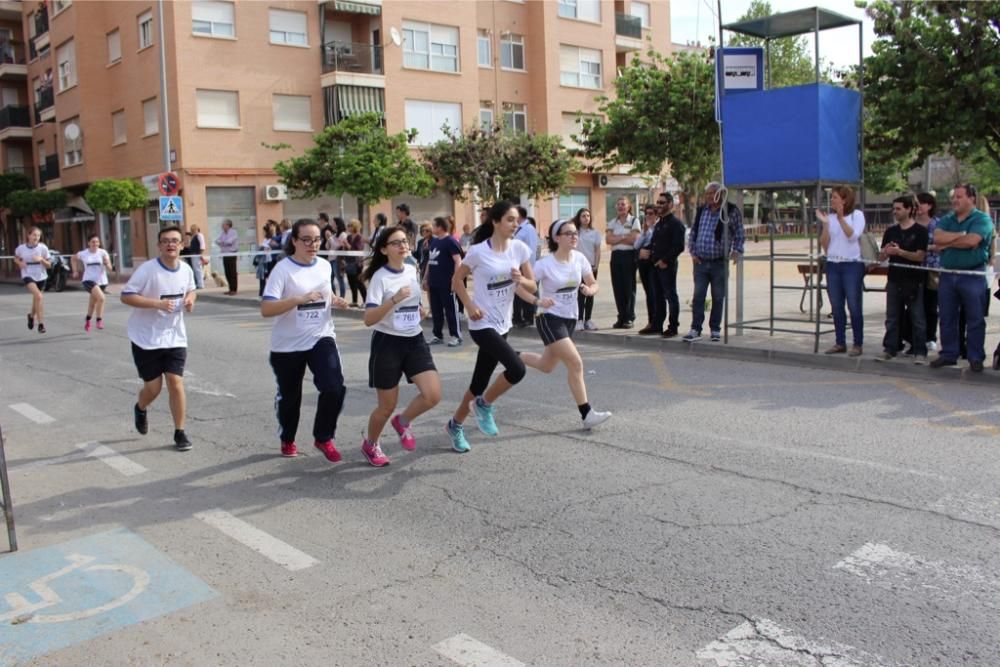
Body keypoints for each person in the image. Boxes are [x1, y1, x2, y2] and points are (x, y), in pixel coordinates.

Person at [445, 200, 535, 453]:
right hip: (482, 323)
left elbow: (532, 285)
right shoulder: (477, 251)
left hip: (503, 323)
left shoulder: (520, 249)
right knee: (517, 369)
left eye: (517, 220)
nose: (515, 224)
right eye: (509, 219)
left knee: (477, 383)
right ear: (495, 222)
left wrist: (522, 280)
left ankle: (455, 424)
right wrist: (469, 305)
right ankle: (484, 405)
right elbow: (457, 280)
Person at [261, 219, 350, 460]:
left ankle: (323, 437)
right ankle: (287, 438)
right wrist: (298, 300)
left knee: (334, 387)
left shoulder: (323, 265)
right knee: (291, 398)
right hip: (288, 344)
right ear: (294, 241)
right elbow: (267, 309)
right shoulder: (283, 270)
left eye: (317, 240)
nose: (312, 245)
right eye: (306, 240)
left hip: (320, 336)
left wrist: (335, 299)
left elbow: (324, 293)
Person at [360, 226, 441, 466]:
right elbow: (369, 318)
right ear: (384, 249)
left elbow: (412, 298)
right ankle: (371, 444)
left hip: (414, 339)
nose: (403, 246)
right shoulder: (379, 278)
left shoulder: (411, 267)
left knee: (433, 395)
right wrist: (394, 299)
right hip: (388, 343)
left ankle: (403, 421)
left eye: (405, 241)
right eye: (396, 243)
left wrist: (418, 308)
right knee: (386, 406)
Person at [519, 219, 612, 429]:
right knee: (575, 362)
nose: (574, 236)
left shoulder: (579, 259)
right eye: (568, 233)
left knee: (546, 365)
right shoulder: (544, 264)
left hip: (570, 318)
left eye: (575, 233)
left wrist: (590, 290)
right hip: (548, 318)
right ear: (556, 238)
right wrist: (537, 301)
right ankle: (586, 413)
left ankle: (511, 355)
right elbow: (521, 287)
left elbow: (593, 283)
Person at [121, 226, 197, 451]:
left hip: (174, 337)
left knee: (176, 382)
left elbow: (192, 290)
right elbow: (127, 296)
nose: (171, 244)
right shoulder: (148, 270)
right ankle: (141, 407)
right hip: (146, 338)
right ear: (159, 246)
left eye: (175, 241)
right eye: (166, 241)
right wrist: (157, 304)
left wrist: (191, 299)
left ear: (182, 245)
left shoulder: (186, 270)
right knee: (153, 389)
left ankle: (180, 432)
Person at [930, 184, 994, 372]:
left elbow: (972, 241)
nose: (954, 200)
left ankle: (975, 357)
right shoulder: (948, 219)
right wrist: (960, 236)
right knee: (947, 317)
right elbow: (937, 238)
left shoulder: (982, 219)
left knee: (974, 318)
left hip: (972, 275)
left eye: (959, 196)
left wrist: (949, 243)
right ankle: (949, 354)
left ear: (971, 199)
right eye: (953, 197)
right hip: (948, 275)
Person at [683, 183, 746, 343]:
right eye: (708, 194)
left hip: (719, 262)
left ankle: (715, 329)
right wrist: (692, 252)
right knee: (698, 296)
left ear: (721, 194)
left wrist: (736, 250)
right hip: (700, 262)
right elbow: (694, 232)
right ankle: (695, 328)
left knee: (718, 297)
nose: (710, 196)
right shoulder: (702, 210)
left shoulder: (730, 211)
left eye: (713, 193)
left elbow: (739, 233)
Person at [874, 195, 928, 363]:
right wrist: (885, 252)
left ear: (909, 209)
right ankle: (890, 348)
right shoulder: (891, 231)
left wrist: (901, 252)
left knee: (917, 317)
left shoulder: (920, 231)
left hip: (913, 280)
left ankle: (920, 351)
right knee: (892, 316)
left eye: (898, 209)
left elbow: (920, 256)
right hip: (894, 279)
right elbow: (881, 257)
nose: (895, 212)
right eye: (894, 209)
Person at [815, 186, 865, 355]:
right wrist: (826, 225)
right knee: (836, 306)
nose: (832, 200)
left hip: (851, 264)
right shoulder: (830, 217)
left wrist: (842, 218)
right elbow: (825, 244)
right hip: (833, 264)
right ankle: (840, 342)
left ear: (844, 200)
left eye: (835, 197)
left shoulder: (857, 216)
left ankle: (857, 343)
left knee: (854, 305)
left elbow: (853, 236)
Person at [650, 193, 686, 338]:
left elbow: (678, 246)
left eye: (662, 202)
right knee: (657, 296)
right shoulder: (659, 223)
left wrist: (665, 260)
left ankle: (673, 326)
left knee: (670, 296)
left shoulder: (676, 224)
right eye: (658, 202)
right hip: (655, 266)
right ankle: (657, 325)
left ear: (671, 204)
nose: (659, 205)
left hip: (667, 266)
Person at [424, 216, 463, 346]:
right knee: (436, 310)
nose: (431, 228)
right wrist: (425, 278)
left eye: (433, 226)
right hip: (434, 282)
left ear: (440, 227)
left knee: (451, 310)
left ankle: (456, 336)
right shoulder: (434, 242)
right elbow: (430, 262)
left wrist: (455, 280)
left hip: (447, 283)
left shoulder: (450, 241)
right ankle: (437, 335)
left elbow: (458, 261)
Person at [606, 196, 641, 329]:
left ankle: (629, 317)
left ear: (628, 207)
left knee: (628, 287)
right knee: (618, 287)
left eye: (623, 204)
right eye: (618, 204)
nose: (620, 206)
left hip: (629, 256)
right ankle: (621, 316)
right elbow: (608, 240)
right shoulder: (612, 222)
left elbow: (634, 239)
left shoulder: (633, 220)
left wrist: (617, 238)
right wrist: (624, 237)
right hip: (616, 256)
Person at [14, 226, 51, 334]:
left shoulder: (43, 248)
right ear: (28, 235)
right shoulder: (21, 248)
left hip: (41, 276)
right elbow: (15, 257)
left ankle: (31, 316)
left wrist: (42, 260)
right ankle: (41, 324)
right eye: (34, 235)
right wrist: (19, 263)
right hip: (27, 274)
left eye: (38, 235)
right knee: (39, 296)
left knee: (37, 299)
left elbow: (49, 265)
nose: (36, 237)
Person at [72, 233, 113, 331]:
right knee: (102, 298)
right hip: (88, 280)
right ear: (88, 243)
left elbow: (110, 269)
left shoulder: (103, 253)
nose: (95, 244)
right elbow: (73, 258)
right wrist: (75, 271)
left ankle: (87, 320)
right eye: (93, 242)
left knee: (92, 304)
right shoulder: (84, 253)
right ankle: (99, 320)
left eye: (97, 242)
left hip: (102, 281)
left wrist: (107, 264)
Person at [511, 206, 540, 328]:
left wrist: (529, 268)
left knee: (527, 291)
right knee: (517, 292)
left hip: (525, 265)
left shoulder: (528, 229)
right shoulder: (519, 228)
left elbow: (532, 249)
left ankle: (528, 317)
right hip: (516, 266)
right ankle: (517, 317)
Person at [574, 208, 601, 330]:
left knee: (590, 293)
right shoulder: (575, 232)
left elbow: (597, 250)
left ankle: (588, 319)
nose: (586, 218)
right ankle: (579, 319)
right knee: (580, 294)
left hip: (591, 267)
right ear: (579, 218)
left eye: (588, 216)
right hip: (577, 267)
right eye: (583, 216)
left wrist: (596, 264)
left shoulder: (595, 233)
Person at [636, 205, 660, 334]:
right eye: (646, 214)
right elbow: (636, 245)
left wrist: (649, 251)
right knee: (648, 293)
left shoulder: (659, 228)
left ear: (657, 215)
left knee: (654, 293)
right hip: (644, 264)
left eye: (651, 213)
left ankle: (656, 322)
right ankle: (651, 321)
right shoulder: (646, 230)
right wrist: (644, 232)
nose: (648, 216)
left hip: (654, 264)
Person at [344, 219, 367, 306]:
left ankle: (365, 300)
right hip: (349, 262)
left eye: (350, 225)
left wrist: (347, 245)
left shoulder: (359, 237)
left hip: (357, 263)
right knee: (351, 282)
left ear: (354, 227)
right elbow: (346, 250)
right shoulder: (349, 237)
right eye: (348, 225)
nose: (348, 227)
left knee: (359, 282)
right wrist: (344, 246)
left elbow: (357, 249)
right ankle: (354, 301)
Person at [216, 219, 239, 295]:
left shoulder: (233, 232)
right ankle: (230, 288)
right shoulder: (222, 233)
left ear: (228, 225)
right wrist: (223, 243)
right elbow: (217, 241)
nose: (222, 226)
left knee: (232, 272)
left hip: (231, 253)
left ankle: (234, 289)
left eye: (224, 224)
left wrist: (223, 243)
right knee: (227, 272)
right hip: (224, 254)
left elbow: (230, 242)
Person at [188, 224, 206, 289]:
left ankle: (201, 284)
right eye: (192, 230)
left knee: (198, 269)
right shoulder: (193, 236)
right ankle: (198, 283)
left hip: (197, 254)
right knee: (196, 269)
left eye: (193, 229)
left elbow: (202, 246)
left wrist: (200, 255)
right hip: (193, 254)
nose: (192, 231)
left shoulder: (199, 235)